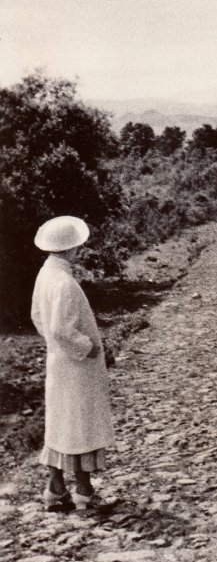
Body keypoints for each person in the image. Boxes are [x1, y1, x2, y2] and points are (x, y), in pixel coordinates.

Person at [31, 216, 116, 512]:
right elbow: (60, 328)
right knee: (81, 423)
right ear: (71, 249)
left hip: (59, 363)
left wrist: (57, 347)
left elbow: (38, 319)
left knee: (60, 423)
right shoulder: (65, 282)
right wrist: (88, 347)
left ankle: (55, 488)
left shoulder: (45, 275)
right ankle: (83, 490)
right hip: (76, 367)